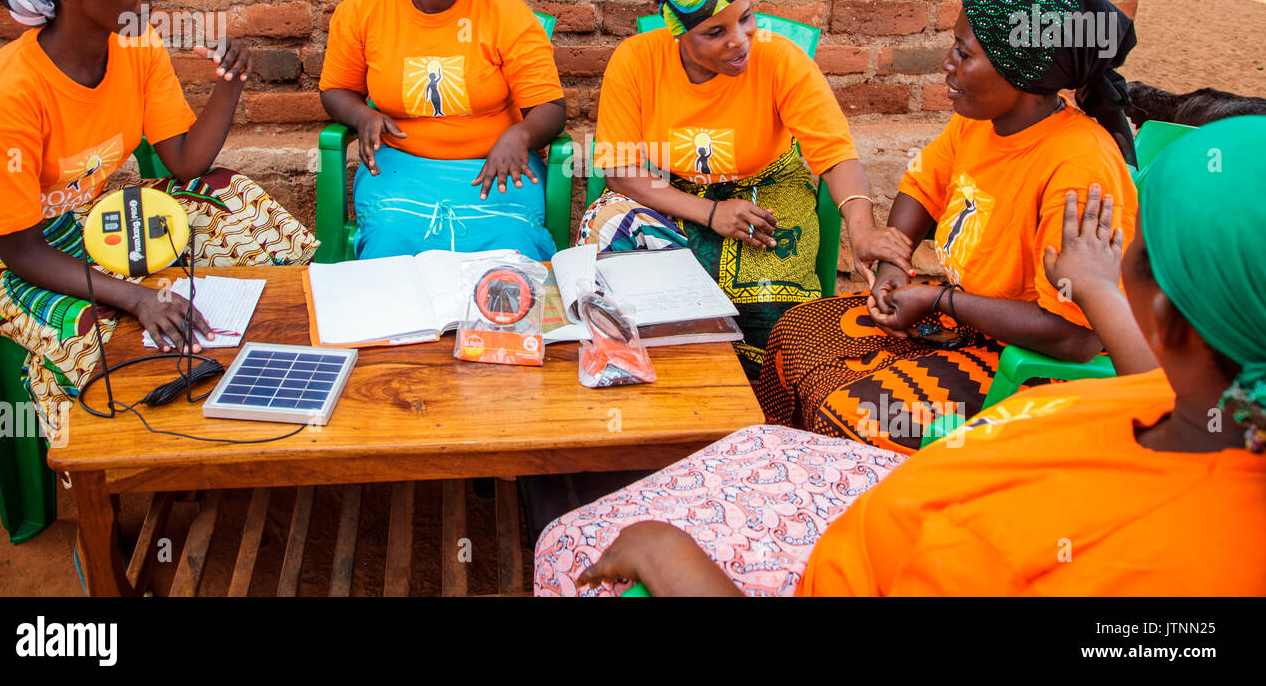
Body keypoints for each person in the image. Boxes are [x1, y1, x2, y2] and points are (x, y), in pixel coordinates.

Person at [535, 116, 1266, 595]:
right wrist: (1104, 288)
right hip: (881, 513)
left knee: (571, 544)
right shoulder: (1193, 407)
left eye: (1129, 246)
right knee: (760, 434)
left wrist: (672, 559)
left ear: (1169, 318)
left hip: (843, 565)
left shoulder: (1162, 570)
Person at [0, 0, 317, 437]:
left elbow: (185, 162)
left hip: (88, 218)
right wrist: (136, 297)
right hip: (3, 247)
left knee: (239, 203)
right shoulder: (9, 94)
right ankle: (113, 470)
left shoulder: (136, 43)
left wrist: (230, 84)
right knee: (98, 333)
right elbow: (20, 248)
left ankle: (267, 374)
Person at [757, 0, 1139, 451]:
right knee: (795, 333)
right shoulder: (980, 126)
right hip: (966, 321)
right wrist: (895, 267)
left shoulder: (1079, 169)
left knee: (857, 415)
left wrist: (938, 301)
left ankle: (872, 510)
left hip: (1031, 363)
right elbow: (921, 188)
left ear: (1020, 74)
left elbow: (1075, 338)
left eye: (965, 52)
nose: (947, 63)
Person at [580, 0, 912, 376]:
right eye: (715, 32)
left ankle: (762, 408)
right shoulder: (637, 60)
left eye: (746, 18)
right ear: (678, 33)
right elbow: (620, 170)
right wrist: (710, 212)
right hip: (675, 193)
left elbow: (833, 153)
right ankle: (655, 393)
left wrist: (862, 230)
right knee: (614, 252)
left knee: (777, 313)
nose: (740, 41)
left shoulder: (781, 60)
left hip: (770, 191)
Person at [318, 0, 566, 261]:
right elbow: (336, 89)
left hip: (496, 166)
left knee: (508, 246)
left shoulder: (505, 11)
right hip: (400, 167)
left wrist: (522, 133)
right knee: (391, 238)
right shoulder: (364, 9)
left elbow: (549, 106)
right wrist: (361, 114)